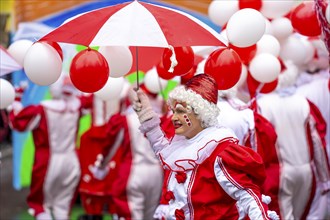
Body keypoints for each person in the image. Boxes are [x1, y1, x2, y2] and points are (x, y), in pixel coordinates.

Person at [131, 73, 278, 220]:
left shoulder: (220, 152)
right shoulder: (184, 143)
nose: (174, 117)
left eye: (181, 112)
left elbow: (248, 195)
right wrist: (145, 113)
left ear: (200, 114)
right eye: (174, 111)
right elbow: (163, 150)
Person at [8, 76, 89, 220]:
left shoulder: (42, 110)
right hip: (71, 162)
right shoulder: (76, 107)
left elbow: (18, 122)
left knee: (40, 206)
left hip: (47, 164)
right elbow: (89, 99)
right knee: (63, 208)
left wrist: (17, 97)